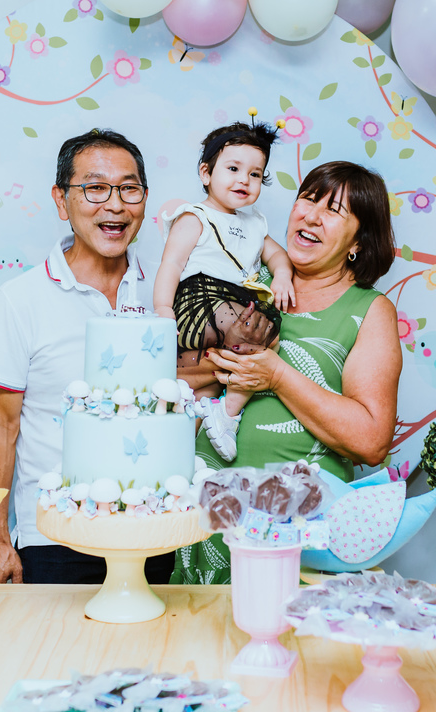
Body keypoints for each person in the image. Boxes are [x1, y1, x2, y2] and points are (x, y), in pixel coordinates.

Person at [171, 161, 404, 585]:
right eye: (309, 198)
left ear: (358, 241)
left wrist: (276, 375)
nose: (311, 215)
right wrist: (226, 360)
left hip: (298, 535)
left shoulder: (368, 312)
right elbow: (169, 381)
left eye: (334, 210)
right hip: (205, 526)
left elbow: (371, 441)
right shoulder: (241, 281)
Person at [0, 129, 174, 585]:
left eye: (129, 188)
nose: (116, 205)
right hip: (55, 538)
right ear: (62, 201)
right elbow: (0, 426)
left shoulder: (166, 291)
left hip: (154, 532)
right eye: (96, 188)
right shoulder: (20, 300)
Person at [152, 120, 295, 463]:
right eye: (233, 168)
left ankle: (226, 413)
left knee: (269, 335)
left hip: (235, 306)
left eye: (255, 174)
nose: (244, 180)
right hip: (199, 302)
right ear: (206, 173)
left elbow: (276, 254)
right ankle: (208, 407)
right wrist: (163, 309)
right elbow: (171, 264)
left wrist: (283, 276)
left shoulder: (255, 223)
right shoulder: (195, 217)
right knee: (245, 326)